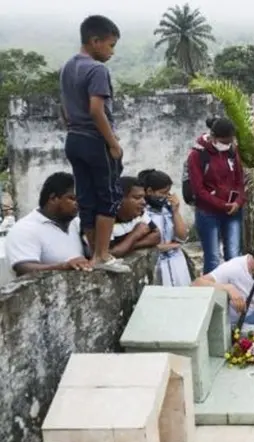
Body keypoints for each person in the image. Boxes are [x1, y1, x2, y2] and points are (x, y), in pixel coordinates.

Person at [60, 15, 128, 273]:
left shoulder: (67, 67)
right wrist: (113, 143)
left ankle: (93, 252)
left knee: (86, 196)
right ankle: (102, 254)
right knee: (109, 195)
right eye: (110, 45)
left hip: (74, 138)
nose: (112, 52)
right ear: (95, 41)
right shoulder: (97, 69)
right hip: (95, 140)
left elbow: (65, 109)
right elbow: (97, 110)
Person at [193, 239, 254, 345]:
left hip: (252, 313)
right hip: (234, 322)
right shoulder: (234, 267)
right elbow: (196, 284)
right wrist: (228, 288)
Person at [188, 117, 246, 274]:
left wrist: (239, 202)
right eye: (224, 141)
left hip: (233, 210)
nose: (226, 145)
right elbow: (199, 190)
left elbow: (240, 181)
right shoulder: (197, 155)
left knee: (233, 255)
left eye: (229, 141)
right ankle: (212, 294)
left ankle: (234, 294)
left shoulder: (232, 151)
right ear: (213, 136)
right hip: (208, 212)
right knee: (213, 257)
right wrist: (222, 205)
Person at [5, 172, 91, 276]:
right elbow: (24, 268)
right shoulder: (24, 229)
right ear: (53, 198)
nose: (78, 203)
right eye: (72, 198)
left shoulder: (76, 223)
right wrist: (63, 267)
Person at [138, 169, 191, 287]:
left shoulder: (167, 209)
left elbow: (182, 237)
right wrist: (165, 246)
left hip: (176, 264)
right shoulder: (141, 213)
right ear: (150, 191)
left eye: (168, 192)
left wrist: (176, 211)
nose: (167, 196)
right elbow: (140, 244)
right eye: (163, 192)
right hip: (155, 264)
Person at [108, 177, 161, 258]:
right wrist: (135, 234)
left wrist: (128, 246)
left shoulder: (140, 214)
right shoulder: (106, 220)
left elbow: (157, 236)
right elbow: (111, 253)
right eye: (137, 198)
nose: (144, 202)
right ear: (119, 199)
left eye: (143, 197)